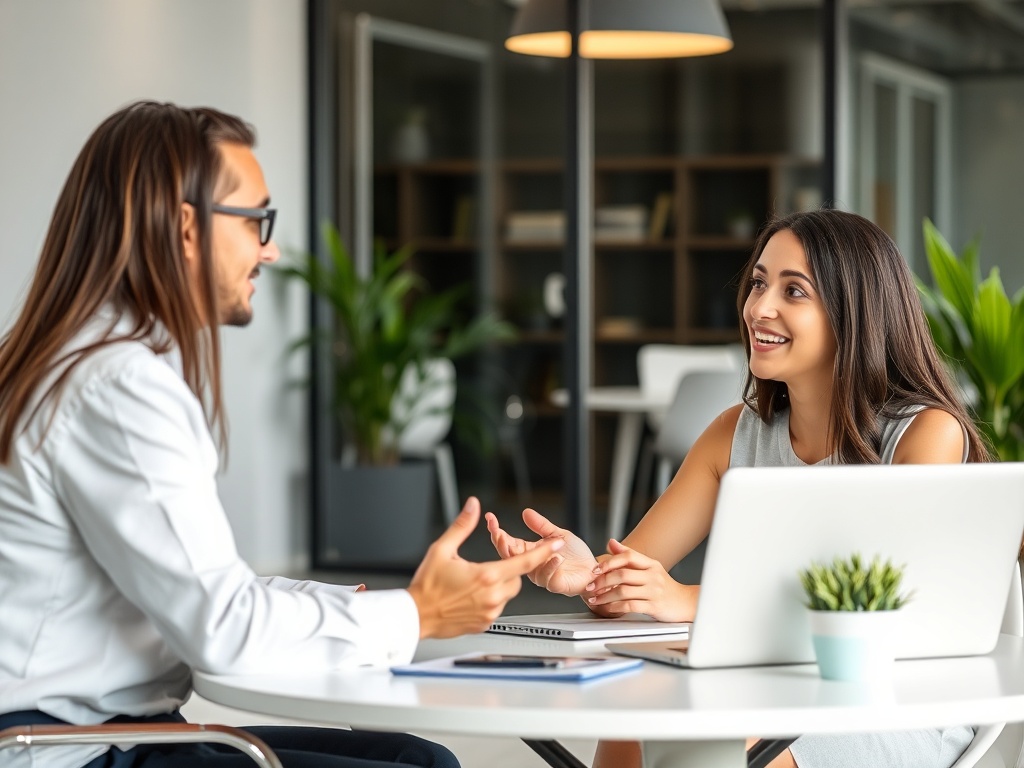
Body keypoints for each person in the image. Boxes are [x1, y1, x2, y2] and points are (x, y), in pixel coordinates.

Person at [0, 101, 565, 768]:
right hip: (70, 750)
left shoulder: (77, 360)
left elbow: (201, 588)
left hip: (98, 730)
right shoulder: (118, 387)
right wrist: (417, 614)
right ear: (186, 227)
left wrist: (358, 605)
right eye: (256, 220)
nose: (268, 249)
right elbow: (223, 628)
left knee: (415, 758)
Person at [487, 209, 988, 768]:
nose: (758, 307)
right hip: (766, 686)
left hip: (884, 701)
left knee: (720, 739)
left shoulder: (925, 434)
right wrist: (592, 576)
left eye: (793, 290)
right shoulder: (733, 433)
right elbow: (638, 575)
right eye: (758, 283)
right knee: (636, 709)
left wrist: (686, 601)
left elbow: (878, 616)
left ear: (857, 315)